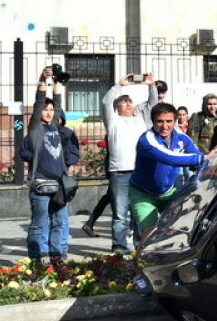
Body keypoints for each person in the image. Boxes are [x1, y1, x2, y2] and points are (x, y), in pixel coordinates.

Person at [19, 68, 80, 267]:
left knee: (59, 222)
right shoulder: (36, 129)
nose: (48, 112)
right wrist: (42, 80)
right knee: (39, 223)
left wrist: (57, 81)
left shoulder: (55, 126)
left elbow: (58, 102)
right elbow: (38, 103)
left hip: (59, 184)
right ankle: (38, 256)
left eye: (51, 110)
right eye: (46, 110)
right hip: (40, 184)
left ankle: (56, 255)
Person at [129, 103, 217, 237]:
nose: (164, 126)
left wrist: (211, 169)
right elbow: (169, 158)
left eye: (169, 121)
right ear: (152, 122)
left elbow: (196, 158)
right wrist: (204, 158)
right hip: (143, 194)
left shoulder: (182, 138)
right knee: (150, 237)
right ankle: (140, 257)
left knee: (179, 231)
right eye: (159, 121)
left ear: (175, 121)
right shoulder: (146, 140)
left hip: (169, 193)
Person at [93, 75, 156, 252]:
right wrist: (119, 86)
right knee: (120, 214)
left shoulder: (141, 119)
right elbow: (106, 102)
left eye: (130, 101)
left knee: (139, 213)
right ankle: (119, 247)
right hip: (119, 173)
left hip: (140, 173)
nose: (129, 104)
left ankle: (139, 245)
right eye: (124, 102)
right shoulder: (113, 121)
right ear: (116, 107)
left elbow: (152, 105)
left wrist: (151, 86)